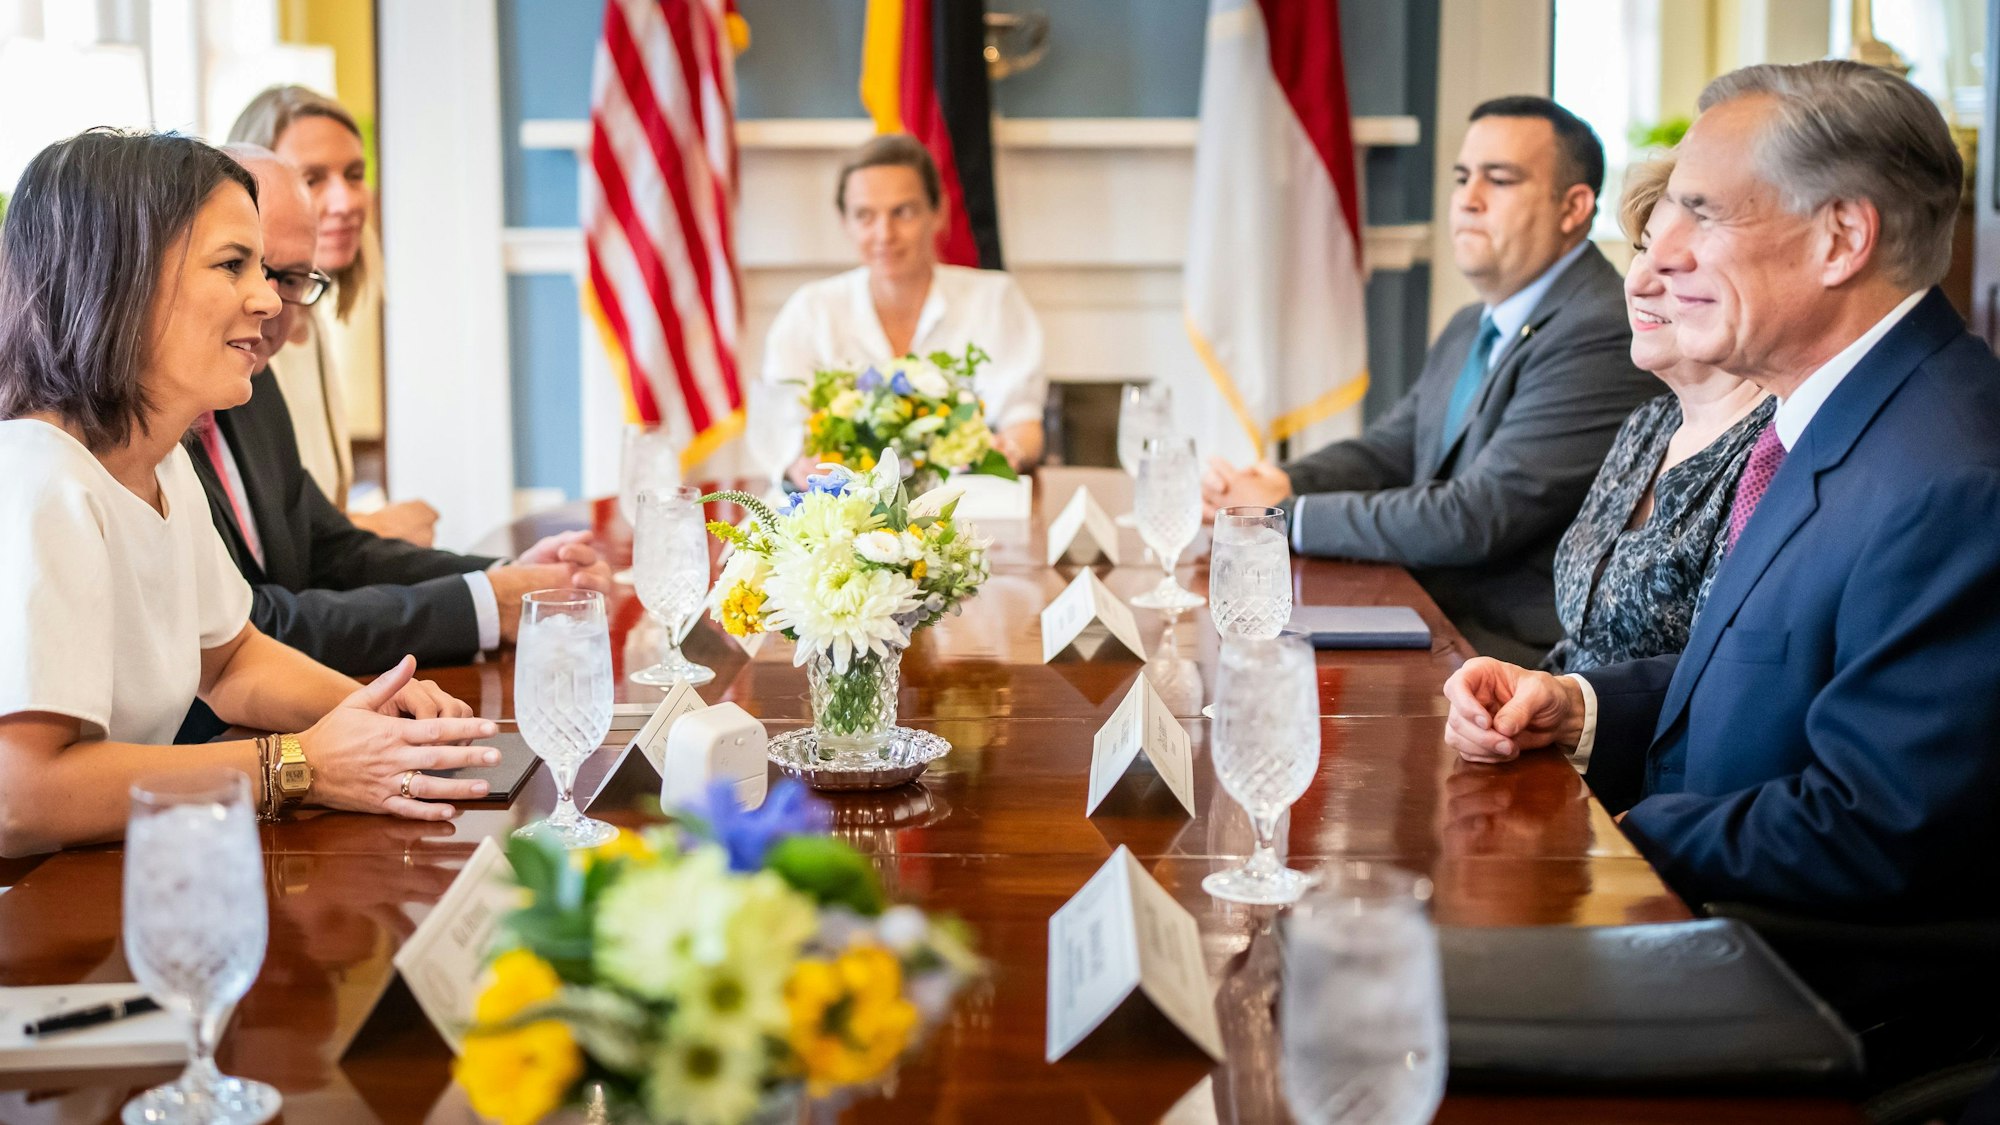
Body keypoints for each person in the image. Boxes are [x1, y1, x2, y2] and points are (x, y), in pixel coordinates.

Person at [1444, 61, 2000, 921]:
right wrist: (1578, 708)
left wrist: (1626, 841)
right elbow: (1771, 677)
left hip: (1807, 988)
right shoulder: (1830, 412)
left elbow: (1877, 822)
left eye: (1701, 213)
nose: (1656, 257)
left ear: (1841, 240)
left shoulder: (1952, 479)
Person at [0, 130, 502, 856]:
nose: (269, 300)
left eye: (264, 269)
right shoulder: (40, 480)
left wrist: (371, 710)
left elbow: (231, 660)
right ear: (120, 280)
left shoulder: (163, 461)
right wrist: (297, 766)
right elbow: (23, 796)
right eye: (234, 264)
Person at [1201, 97, 1658, 666]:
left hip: (1504, 657)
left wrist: (1282, 519)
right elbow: (1391, 449)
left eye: (1500, 179)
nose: (1467, 199)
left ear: (1573, 207)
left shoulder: (1599, 332)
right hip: (1428, 615)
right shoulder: (1474, 322)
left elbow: (1475, 515)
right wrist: (1274, 481)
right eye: (1463, 177)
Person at [181, 146, 609, 686]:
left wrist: (511, 580)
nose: (269, 305)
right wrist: (482, 604)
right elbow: (250, 628)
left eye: (290, 280)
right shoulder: (148, 423)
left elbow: (331, 549)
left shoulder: (253, 385)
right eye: (243, 268)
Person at [1542, 159, 1772, 673]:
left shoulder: (1773, 449)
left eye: (1679, 264)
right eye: (1643, 249)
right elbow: (1580, 641)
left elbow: (1725, 678)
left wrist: (1564, 708)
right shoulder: (1649, 424)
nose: (1639, 282)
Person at [763, 133, 1046, 475]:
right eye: (865, 215)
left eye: (903, 212)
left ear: (938, 212)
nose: (885, 234)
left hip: (969, 505)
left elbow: (1023, 422)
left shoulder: (995, 300)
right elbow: (786, 437)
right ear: (845, 223)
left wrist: (1007, 449)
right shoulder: (810, 311)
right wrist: (807, 467)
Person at [229, 85, 438, 547]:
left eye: (355, 174)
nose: (345, 202)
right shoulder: (242, 347)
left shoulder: (312, 320)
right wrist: (372, 530)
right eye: (312, 178)